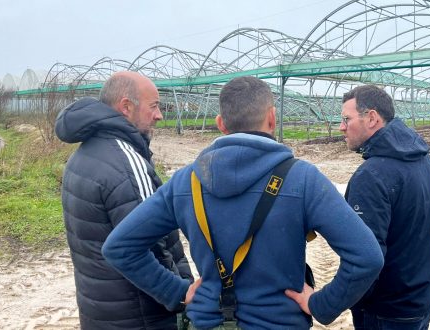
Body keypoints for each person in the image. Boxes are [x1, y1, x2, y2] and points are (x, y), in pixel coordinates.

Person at [102, 76, 384, 329]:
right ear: (272, 119)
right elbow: (367, 257)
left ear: (220, 124)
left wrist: (175, 291)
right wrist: (322, 304)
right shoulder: (303, 179)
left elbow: (120, 247)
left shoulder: (186, 181)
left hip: (210, 322)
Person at [55, 71, 193, 329]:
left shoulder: (84, 154)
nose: (159, 115)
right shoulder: (126, 163)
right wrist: (181, 294)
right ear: (126, 107)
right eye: (153, 106)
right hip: (139, 316)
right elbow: (153, 246)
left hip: (101, 309)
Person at [339, 85, 430, 329]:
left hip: (386, 310)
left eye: (347, 119)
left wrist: (326, 303)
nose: (341, 127)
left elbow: (364, 257)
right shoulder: (424, 161)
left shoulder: (372, 175)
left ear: (372, 118)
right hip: (421, 298)